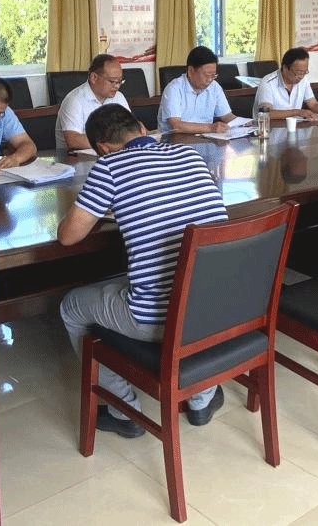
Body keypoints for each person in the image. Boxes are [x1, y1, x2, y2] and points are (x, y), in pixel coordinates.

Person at [58, 104, 229, 437]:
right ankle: (202, 398)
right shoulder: (190, 155)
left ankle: (123, 410)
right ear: (140, 127)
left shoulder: (109, 166)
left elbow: (68, 236)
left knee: (71, 306)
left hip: (159, 320)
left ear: (103, 148)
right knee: (173, 276)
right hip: (215, 309)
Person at [55, 54, 131, 154]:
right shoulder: (74, 100)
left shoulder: (118, 97)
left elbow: (131, 129)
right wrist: (114, 142)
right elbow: (73, 140)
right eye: (112, 81)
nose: (117, 86)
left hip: (111, 155)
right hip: (78, 159)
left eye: (120, 81)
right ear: (94, 77)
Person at [157, 46, 238, 134]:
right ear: (191, 71)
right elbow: (176, 126)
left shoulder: (214, 87)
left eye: (213, 75)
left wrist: (245, 124)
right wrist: (211, 128)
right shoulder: (174, 88)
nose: (210, 79)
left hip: (206, 138)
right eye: (207, 75)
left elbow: (227, 116)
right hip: (175, 140)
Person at [253, 47, 318, 119]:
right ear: (285, 68)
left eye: (305, 72)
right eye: (298, 73)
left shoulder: (303, 80)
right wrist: (297, 112)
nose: (301, 76)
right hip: (269, 129)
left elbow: (313, 104)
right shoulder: (268, 82)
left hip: (294, 128)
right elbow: (266, 113)